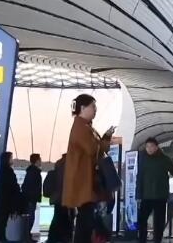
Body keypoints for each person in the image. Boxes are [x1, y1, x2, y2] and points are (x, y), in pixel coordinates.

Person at [63, 94, 114, 243]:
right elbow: (92, 149)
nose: (95, 109)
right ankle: (101, 233)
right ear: (83, 108)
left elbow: (99, 149)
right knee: (86, 218)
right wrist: (100, 141)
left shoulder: (86, 127)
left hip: (87, 181)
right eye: (93, 106)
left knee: (85, 218)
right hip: (82, 181)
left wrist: (106, 137)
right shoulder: (80, 127)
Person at [137, 137, 173, 243]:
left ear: (156, 147)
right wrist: (138, 194)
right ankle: (142, 240)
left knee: (159, 221)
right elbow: (140, 177)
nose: (149, 149)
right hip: (146, 196)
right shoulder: (142, 158)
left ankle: (157, 240)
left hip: (160, 195)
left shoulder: (164, 159)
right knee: (142, 219)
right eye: (147, 147)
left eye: (151, 146)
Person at [0, 151, 23, 243]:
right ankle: (1, 238)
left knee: (1, 220)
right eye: (11, 158)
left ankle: (0, 238)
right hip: (6, 201)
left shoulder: (2, 171)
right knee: (3, 221)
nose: (12, 160)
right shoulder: (8, 171)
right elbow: (12, 186)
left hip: (3, 200)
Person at [46, 154, 73, 243]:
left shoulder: (58, 164)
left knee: (57, 217)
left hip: (57, 197)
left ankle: (53, 238)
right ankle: (63, 238)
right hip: (64, 198)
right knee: (64, 218)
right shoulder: (67, 165)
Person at [20, 153, 42, 242]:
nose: (41, 161)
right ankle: (27, 237)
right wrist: (34, 198)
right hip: (31, 199)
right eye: (40, 159)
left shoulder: (30, 171)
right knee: (30, 218)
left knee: (30, 218)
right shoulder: (35, 172)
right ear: (37, 161)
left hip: (29, 199)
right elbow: (33, 187)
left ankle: (27, 236)